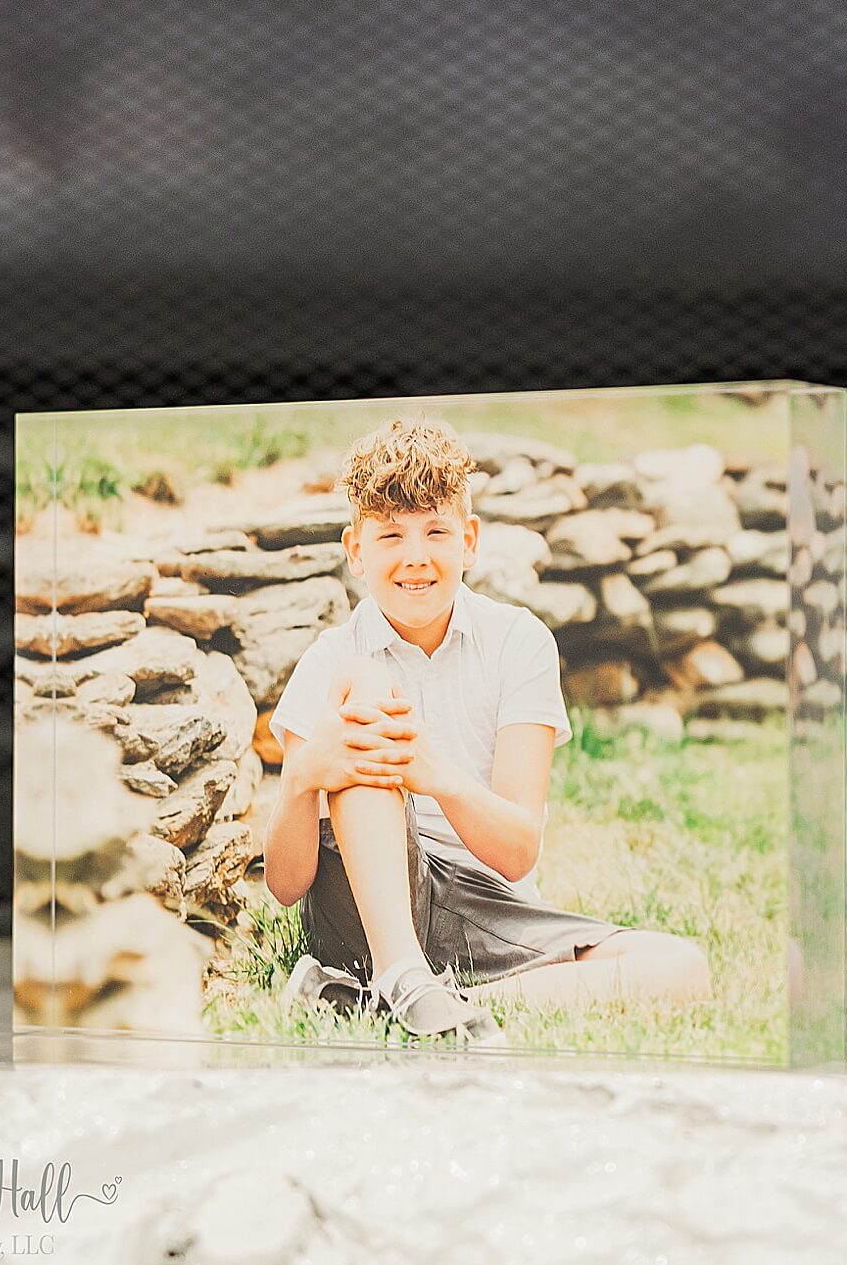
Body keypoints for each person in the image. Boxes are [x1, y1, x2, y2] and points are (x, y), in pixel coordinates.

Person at [261, 414, 713, 1043]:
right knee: (365, 687)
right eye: (390, 535)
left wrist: (434, 771)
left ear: (469, 541)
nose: (415, 558)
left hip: (486, 908)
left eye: (436, 532)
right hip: (367, 909)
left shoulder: (519, 642)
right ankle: (401, 973)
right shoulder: (330, 663)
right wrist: (302, 780)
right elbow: (285, 886)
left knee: (680, 968)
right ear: (355, 550)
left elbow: (517, 851)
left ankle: (402, 1003)